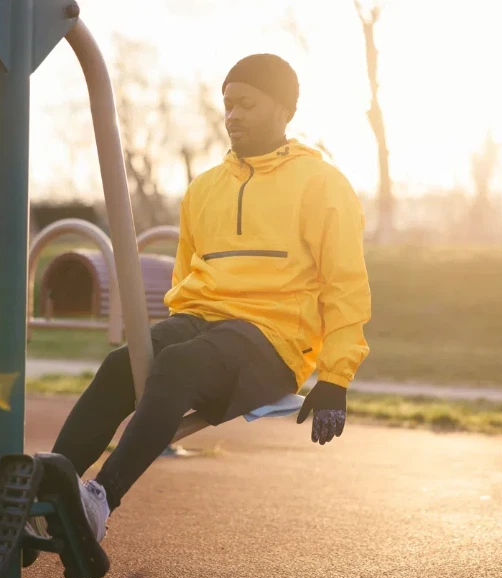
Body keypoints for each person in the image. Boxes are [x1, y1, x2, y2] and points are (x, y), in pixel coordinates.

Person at [38, 53, 371, 545]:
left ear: (283, 109)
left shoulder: (322, 185)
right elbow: (186, 276)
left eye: (247, 104)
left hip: (273, 341)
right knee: (121, 364)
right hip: (202, 320)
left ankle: (98, 500)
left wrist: (336, 378)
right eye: (228, 105)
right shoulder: (203, 189)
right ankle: (44, 497)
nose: (233, 115)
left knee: (178, 366)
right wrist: (174, 328)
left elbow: (344, 285)